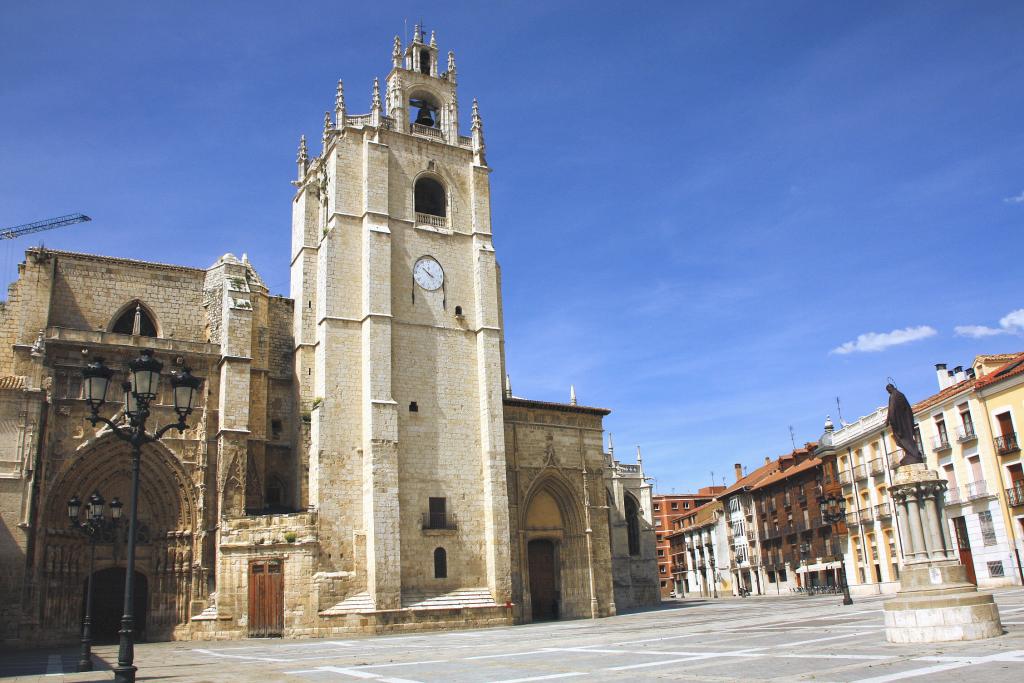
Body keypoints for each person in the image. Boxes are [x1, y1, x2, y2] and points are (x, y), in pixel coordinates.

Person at [885, 383, 924, 467]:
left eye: (888, 390)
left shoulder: (893, 396)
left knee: (901, 439)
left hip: (899, 423)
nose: (888, 392)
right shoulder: (900, 394)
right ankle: (911, 454)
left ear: (890, 388)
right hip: (905, 421)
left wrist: (889, 421)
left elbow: (891, 410)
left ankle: (912, 454)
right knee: (907, 438)